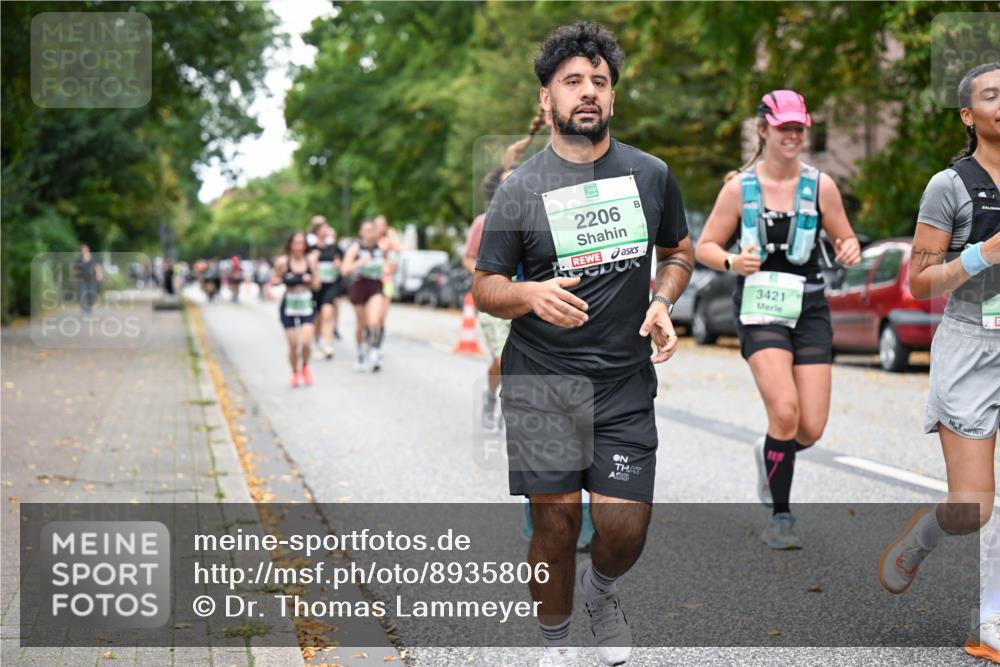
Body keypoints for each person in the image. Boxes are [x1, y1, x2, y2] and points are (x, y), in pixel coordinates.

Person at [473, 22, 693, 667]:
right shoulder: (519, 189)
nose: (588, 92)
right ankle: (555, 642)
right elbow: (485, 287)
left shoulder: (650, 175)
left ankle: (601, 592)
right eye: (573, 82)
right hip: (542, 378)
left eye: (599, 81)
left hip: (624, 381)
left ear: (613, 98)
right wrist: (530, 294)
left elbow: (677, 251)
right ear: (547, 99)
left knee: (624, 530)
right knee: (556, 523)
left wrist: (662, 298)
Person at [695, 89, 861, 550]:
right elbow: (704, 246)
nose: (792, 135)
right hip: (760, 306)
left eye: (798, 128)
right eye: (783, 127)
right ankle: (781, 517)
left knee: (810, 427)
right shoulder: (739, 188)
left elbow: (846, 241)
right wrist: (732, 263)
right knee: (785, 412)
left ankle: (770, 450)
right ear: (763, 129)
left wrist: (849, 249)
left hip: (809, 307)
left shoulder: (820, 186)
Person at [875, 63, 1000, 662]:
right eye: (992, 94)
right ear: (967, 115)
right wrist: (982, 254)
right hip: (973, 343)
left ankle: (992, 624)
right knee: (973, 506)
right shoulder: (948, 187)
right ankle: (927, 533)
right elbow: (920, 283)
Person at [464, 115, 546, 430]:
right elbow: (470, 259)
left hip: (527, 298)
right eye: (507, 180)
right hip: (496, 297)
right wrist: (493, 276)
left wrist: (535, 130)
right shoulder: (485, 223)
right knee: (502, 359)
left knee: (524, 361)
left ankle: (516, 409)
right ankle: (491, 396)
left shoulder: (535, 217)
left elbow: (515, 159)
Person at [271, 232, 320, 388]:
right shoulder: (283, 262)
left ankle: (305, 366)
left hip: (306, 304)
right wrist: (286, 278)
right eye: (295, 243)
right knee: (293, 345)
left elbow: (317, 285)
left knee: (305, 342)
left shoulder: (310, 262)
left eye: (301, 243)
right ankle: (294, 372)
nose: (298, 246)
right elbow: (274, 281)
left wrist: (310, 279)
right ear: (290, 244)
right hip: (289, 306)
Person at [342, 220, 388, 372]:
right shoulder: (356, 248)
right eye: (366, 230)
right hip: (359, 287)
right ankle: (360, 351)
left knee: (374, 321)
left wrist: (388, 268)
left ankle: (374, 352)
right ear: (361, 232)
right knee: (361, 325)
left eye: (372, 230)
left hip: (375, 286)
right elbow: (345, 269)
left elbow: (391, 262)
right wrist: (360, 262)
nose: (370, 233)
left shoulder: (381, 248)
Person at [310, 219, 345, 360]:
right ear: (316, 232)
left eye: (327, 229)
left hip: (331, 285)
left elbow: (343, 264)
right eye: (322, 229)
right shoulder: (312, 249)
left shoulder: (335, 248)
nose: (325, 232)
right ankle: (317, 341)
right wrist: (314, 272)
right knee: (317, 316)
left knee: (328, 313)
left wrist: (339, 263)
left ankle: (328, 344)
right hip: (317, 287)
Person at [375, 214, 402, 328]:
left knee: (382, 312)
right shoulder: (371, 240)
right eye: (376, 225)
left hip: (386, 280)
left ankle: (380, 330)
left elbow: (398, 251)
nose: (379, 228)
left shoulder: (389, 241)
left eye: (382, 225)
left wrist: (392, 236)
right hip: (373, 279)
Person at [75, 243, 102, 313]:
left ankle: (89, 307)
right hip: (82, 279)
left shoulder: (93, 257)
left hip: (92, 279)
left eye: (85, 249)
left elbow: (97, 266)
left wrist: (99, 275)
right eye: (82, 250)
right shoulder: (79, 258)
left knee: (91, 294)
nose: (83, 251)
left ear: (88, 249)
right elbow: (76, 268)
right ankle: (84, 308)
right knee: (83, 293)